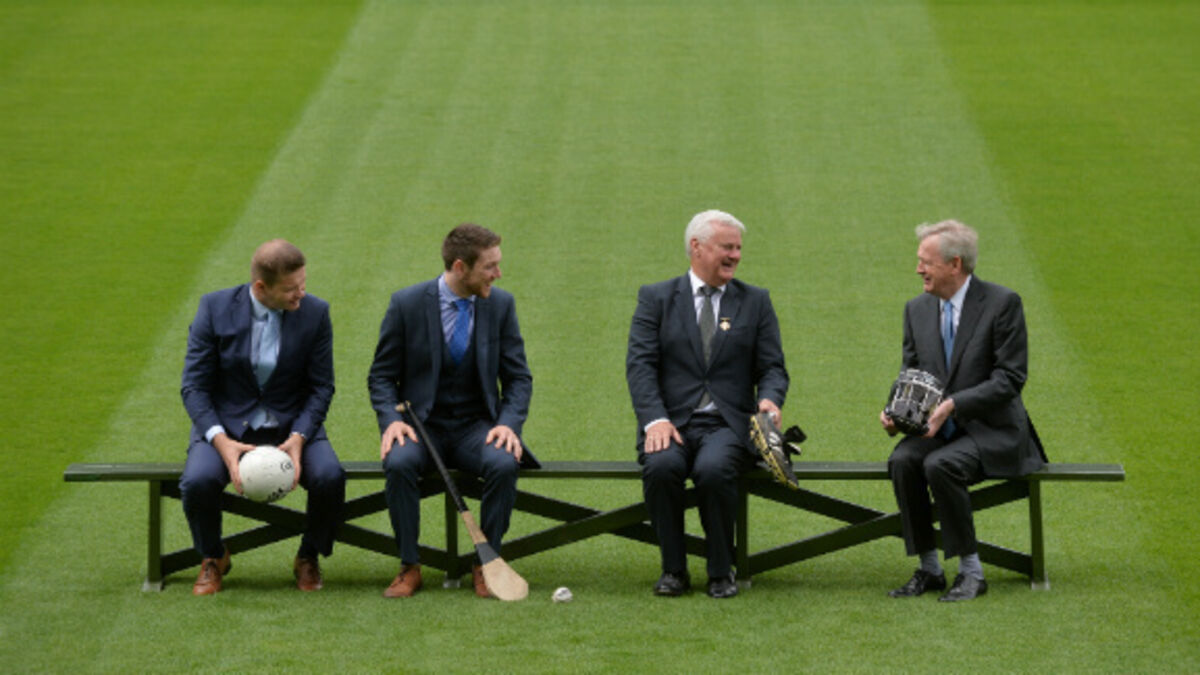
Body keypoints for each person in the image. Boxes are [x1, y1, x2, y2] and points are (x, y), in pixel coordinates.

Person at [626, 209, 789, 599]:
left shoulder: (755, 301)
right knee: (662, 468)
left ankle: (720, 571)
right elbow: (640, 366)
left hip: (727, 425)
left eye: (738, 248)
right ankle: (673, 570)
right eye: (726, 247)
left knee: (714, 470)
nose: (735, 256)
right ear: (696, 247)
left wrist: (769, 399)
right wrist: (655, 420)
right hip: (670, 423)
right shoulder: (656, 298)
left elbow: (772, 367)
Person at [880, 220, 1046, 602]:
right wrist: (895, 412)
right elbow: (911, 373)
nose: (918, 269)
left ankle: (972, 573)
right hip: (941, 430)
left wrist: (954, 404)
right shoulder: (916, 309)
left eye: (926, 262)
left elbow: (1010, 379)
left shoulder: (1003, 304)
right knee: (903, 460)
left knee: (941, 465)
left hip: (994, 430)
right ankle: (930, 569)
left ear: (955, 264)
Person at [368, 223, 536, 599]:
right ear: (460, 267)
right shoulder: (406, 304)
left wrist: (508, 425)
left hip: (476, 427)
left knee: (504, 462)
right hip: (420, 428)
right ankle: (409, 565)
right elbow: (381, 376)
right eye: (489, 266)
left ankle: (486, 563)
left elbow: (518, 378)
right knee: (398, 463)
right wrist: (391, 421)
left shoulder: (501, 305)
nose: (498, 273)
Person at [179, 239, 346, 596]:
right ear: (260, 287)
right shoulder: (214, 308)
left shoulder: (316, 313)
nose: (301, 294)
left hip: (293, 425)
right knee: (197, 482)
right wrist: (220, 440)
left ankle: (308, 555)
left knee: (330, 477)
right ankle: (213, 555)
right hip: (227, 426)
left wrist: (299, 436)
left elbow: (322, 387)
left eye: (303, 284)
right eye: (290, 289)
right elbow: (193, 387)